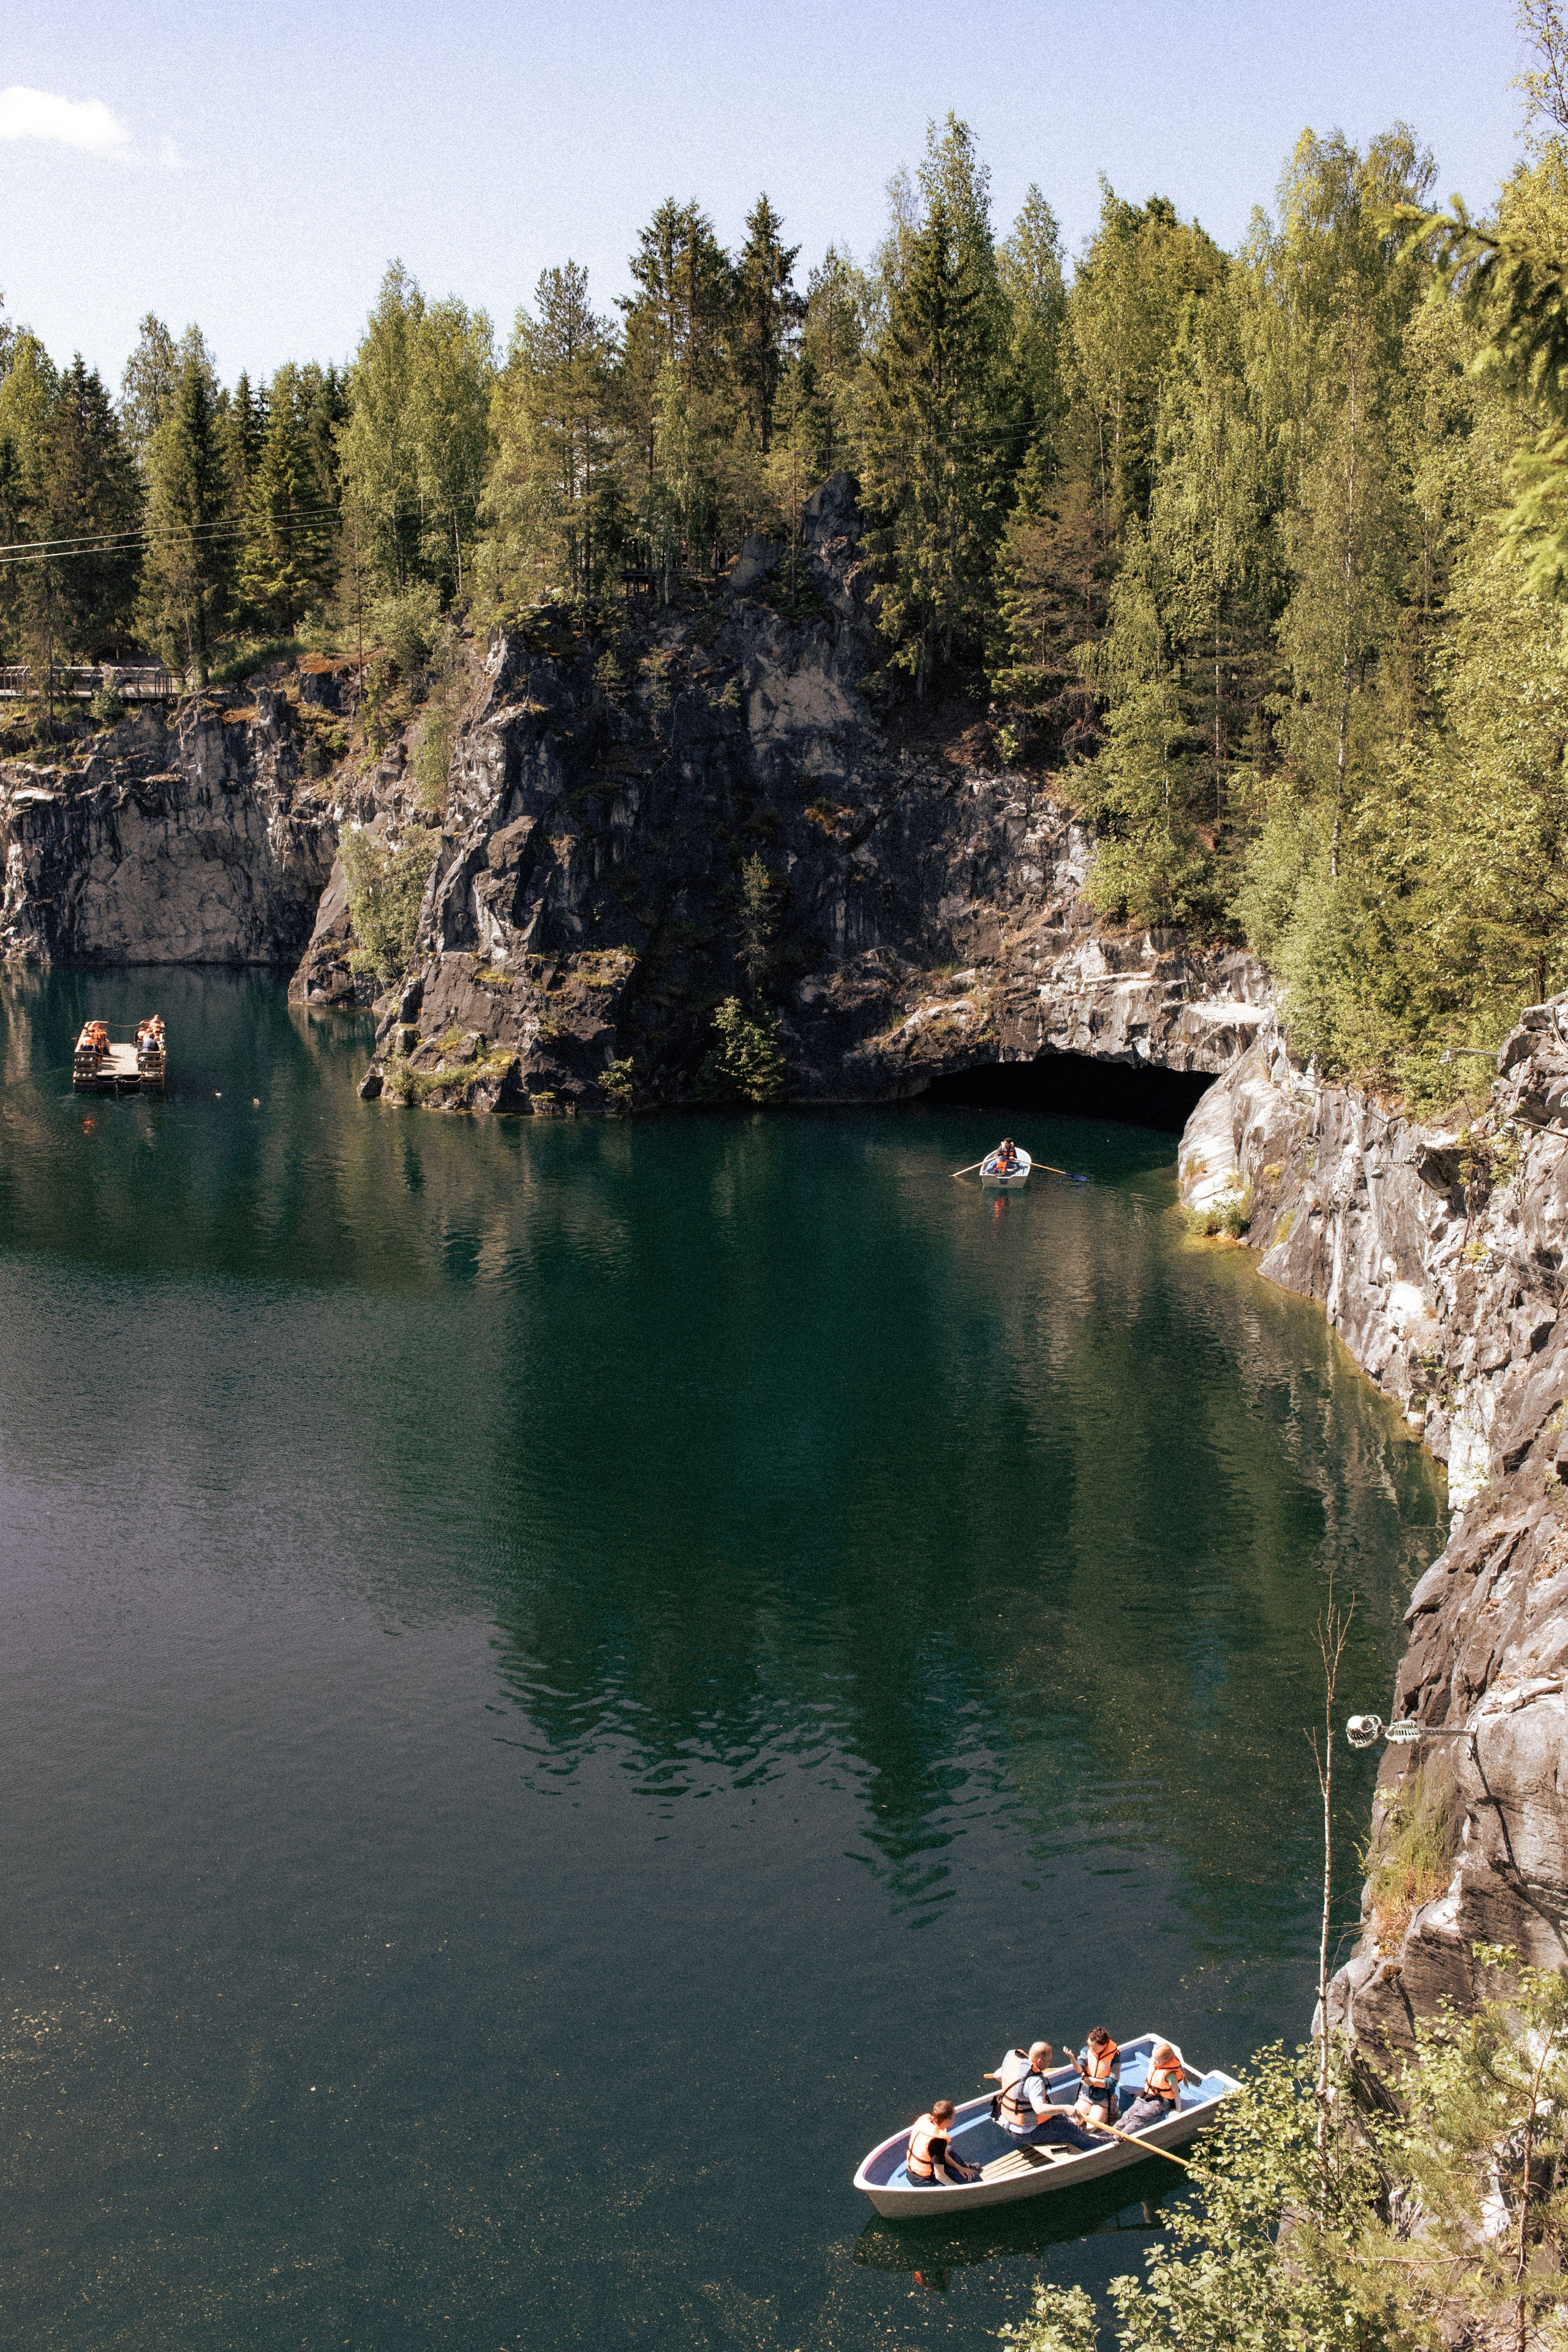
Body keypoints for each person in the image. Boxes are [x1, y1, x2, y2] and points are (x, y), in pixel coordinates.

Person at [990, 2040, 1100, 2152]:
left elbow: (997, 2075)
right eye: (1048, 2062)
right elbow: (1039, 2109)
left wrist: (1018, 2092)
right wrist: (1066, 2108)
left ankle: (1086, 2135)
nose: (1049, 2064)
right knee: (1070, 2130)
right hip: (1025, 2133)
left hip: (1009, 2122)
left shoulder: (1016, 2065)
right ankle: (1103, 2144)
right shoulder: (1035, 2081)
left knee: (1063, 2118)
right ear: (1039, 2061)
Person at [1120, 2042, 1189, 2133]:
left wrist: (1177, 2110)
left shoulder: (1170, 2075)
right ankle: (1111, 2132)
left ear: (1165, 2061)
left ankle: (1121, 2135)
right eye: (1154, 2058)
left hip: (1163, 2101)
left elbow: (1176, 2093)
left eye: (1157, 2060)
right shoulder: (1155, 2063)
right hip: (1149, 2095)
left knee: (1139, 2117)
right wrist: (1143, 2091)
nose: (1154, 2061)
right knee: (1128, 2114)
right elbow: (1152, 2081)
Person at [907, 2099, 978, 2185]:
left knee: (949, 2150)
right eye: (954, 2116)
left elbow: (941, 2153)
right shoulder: (938, 2142)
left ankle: (965, 2168)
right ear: (947, 2121)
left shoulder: (924, 2120)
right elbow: (940, 2176)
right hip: (923, 2179)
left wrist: (959, 2168)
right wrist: (958, 2189)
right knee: (964, 2188)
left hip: (913, 2168)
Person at [1068, 2028, 1121, 2127]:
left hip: (1103, 2096)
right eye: (1089, 2046)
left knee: (1092, 2126)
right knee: (1073, 2121)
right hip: (1087, 2093)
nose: (1091, 2049)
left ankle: (1111, 2104)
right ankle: (1092, 2112)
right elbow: (1080, 2069)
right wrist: (1073, 2059)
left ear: (1104, 2045)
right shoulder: (1087, 2050)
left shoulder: (1115, 2056)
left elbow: (1113, 2082)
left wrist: (1094, 2081)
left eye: (1094, 2047)